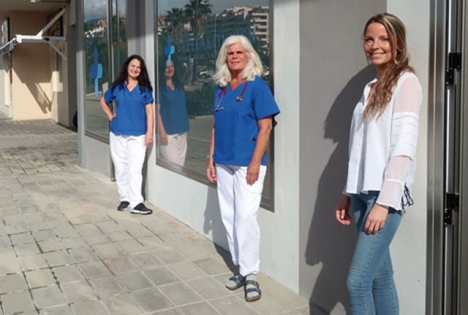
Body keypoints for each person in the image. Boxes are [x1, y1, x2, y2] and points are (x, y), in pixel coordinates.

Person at [335, 13, 422, 314]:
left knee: (357, 282)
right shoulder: (369, 87)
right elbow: (357, 148)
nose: (375, 45)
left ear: (397, 44)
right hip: (361, 195)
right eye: (370, 39)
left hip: (383, 197)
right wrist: (348, 192)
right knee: (380, 278)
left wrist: (384, 202)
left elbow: (404, 148)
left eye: (384, 39)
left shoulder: (406, 82)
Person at [206, 35, 280, 302]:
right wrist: (210, 158)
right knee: (228, 216)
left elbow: (266, 127)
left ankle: (251, 276)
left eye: (239, 52)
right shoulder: (222, 88)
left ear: (249, 55)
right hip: (223, 162)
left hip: (248, 164)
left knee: (245, 217)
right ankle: (239, 268)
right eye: (230, 52)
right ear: (225, 58)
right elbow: (216, 126)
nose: (235, 56)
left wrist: (254, 162)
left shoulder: (257, 87)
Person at [100, 54, 154, 215]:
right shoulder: (117, 87)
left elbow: (149, 111)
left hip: (138, 134)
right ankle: (125, 198)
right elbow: (103, 101)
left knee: (135, 168)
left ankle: (136, 203)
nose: (135, 69)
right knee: (120, 166)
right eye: (133, 65)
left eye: (138, 67)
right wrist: (111, 116)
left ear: (141, 70)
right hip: (117, 133)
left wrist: (150, 131)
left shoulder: (144, 89)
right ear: (127, 67)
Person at [157, 59, 190, 166]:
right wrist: (162, 132)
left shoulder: (179, 86)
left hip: (182, 131)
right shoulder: (160, 89)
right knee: (173, 167)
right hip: (168, 134)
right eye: (167, 67)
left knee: (181, 166)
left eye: (172, 66)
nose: (170, 69)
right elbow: (156, 112)